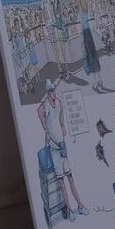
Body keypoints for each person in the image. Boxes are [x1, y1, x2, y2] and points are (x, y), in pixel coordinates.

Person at [37, 79, 87, 219]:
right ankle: (70, 210)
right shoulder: (44, 106)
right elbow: (40, 114)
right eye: (51, 91)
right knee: (62, 182)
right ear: (47, 93)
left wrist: (63, 126)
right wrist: (46, 131)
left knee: (71, 178)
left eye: (54, 90)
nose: (53, 93)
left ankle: (80, 206)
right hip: (53, 148)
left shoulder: (58, 103)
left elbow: (60, 119)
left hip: (62, 145)